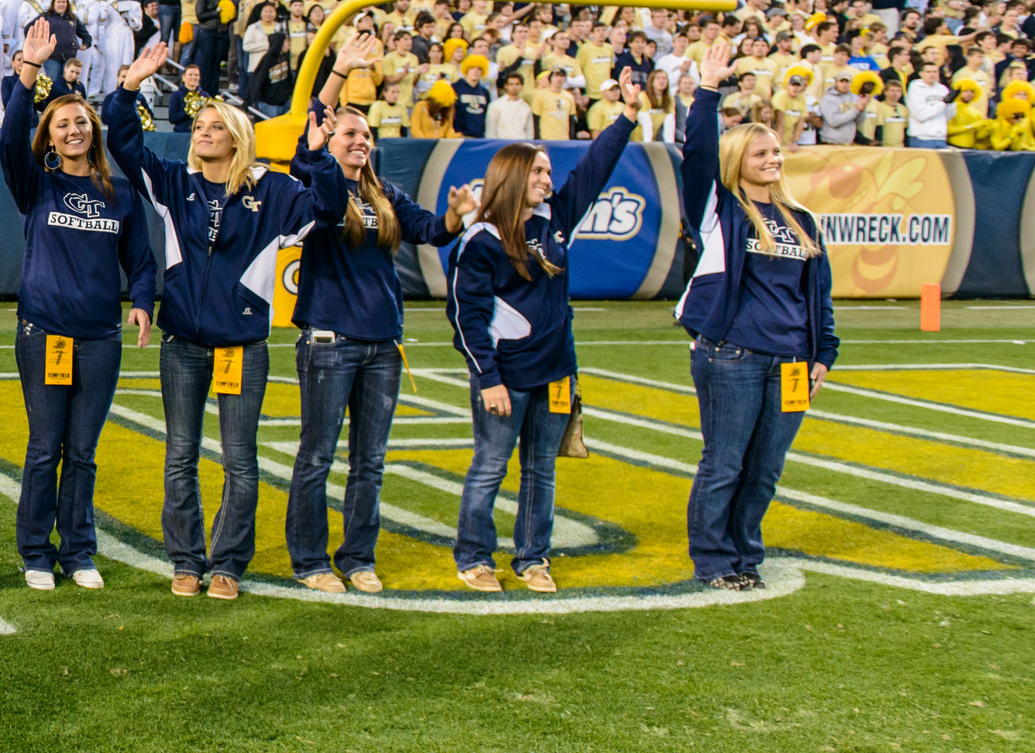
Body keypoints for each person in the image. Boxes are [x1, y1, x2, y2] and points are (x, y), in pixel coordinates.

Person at [107, 41, 311, 601]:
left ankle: (228, 563)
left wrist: (314, 151)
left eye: (215, 126)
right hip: (184, 345)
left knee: (240, 461)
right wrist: (130, 87)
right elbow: (122, 142)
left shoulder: (273, 189)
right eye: (199, 123)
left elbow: (323, 203)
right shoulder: (176, 183)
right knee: (180, 455)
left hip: (242, 347)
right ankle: (186, 560)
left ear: (238, 137)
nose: (203, 131)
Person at [285, 33, 474, 594]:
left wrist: (458, 217)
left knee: (370, 461)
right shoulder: (315, 182)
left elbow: (429, 231)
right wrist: (338, 73)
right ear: (328, 139)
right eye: (350, 133)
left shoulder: (385, 191)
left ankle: (358, 557)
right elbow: (310, 139)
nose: (360, 141)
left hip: (381, 345)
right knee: (317, 457)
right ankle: (311, 560)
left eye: (366, 135)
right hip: (329, 341)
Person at [448, 73, 642, 594]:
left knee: (541, 471)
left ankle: (533, 558)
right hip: (505, 376)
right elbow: (466, 317)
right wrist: (487, 377)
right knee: (490, 466)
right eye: (537, 170)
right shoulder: (483, 238)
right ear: (511, 174)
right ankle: (474, 557)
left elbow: (595, 170)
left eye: (549, 170)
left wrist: (625, 116)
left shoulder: (556, 218)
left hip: (556, 370)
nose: (547, 177)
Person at [675, 40, 838, 591]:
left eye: (776, 153)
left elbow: (820, 299)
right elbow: (696, 156)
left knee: (765, 469)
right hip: (732, 355)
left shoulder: (804, 220)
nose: (773, 160)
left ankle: (745, 553)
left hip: (792, 362)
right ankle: (714, 560)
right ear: (737, 162)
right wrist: (708, 90)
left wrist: (823, 356)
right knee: (724, 464)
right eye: (759, 154)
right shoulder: (719, 210)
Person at [2, 22, 155, 591]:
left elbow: (141, 262)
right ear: (50, 134)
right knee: (46, 448)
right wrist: (29, 73)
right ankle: (36, 552)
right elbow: (8, 137)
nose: (72, 129)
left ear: (94, 129)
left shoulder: (119, 192)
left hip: (99, 339)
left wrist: (141, 303)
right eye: (61, 123)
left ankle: (80, 551)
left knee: (83, 452)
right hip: (44, 334)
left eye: (80, 121)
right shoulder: (34, 182)